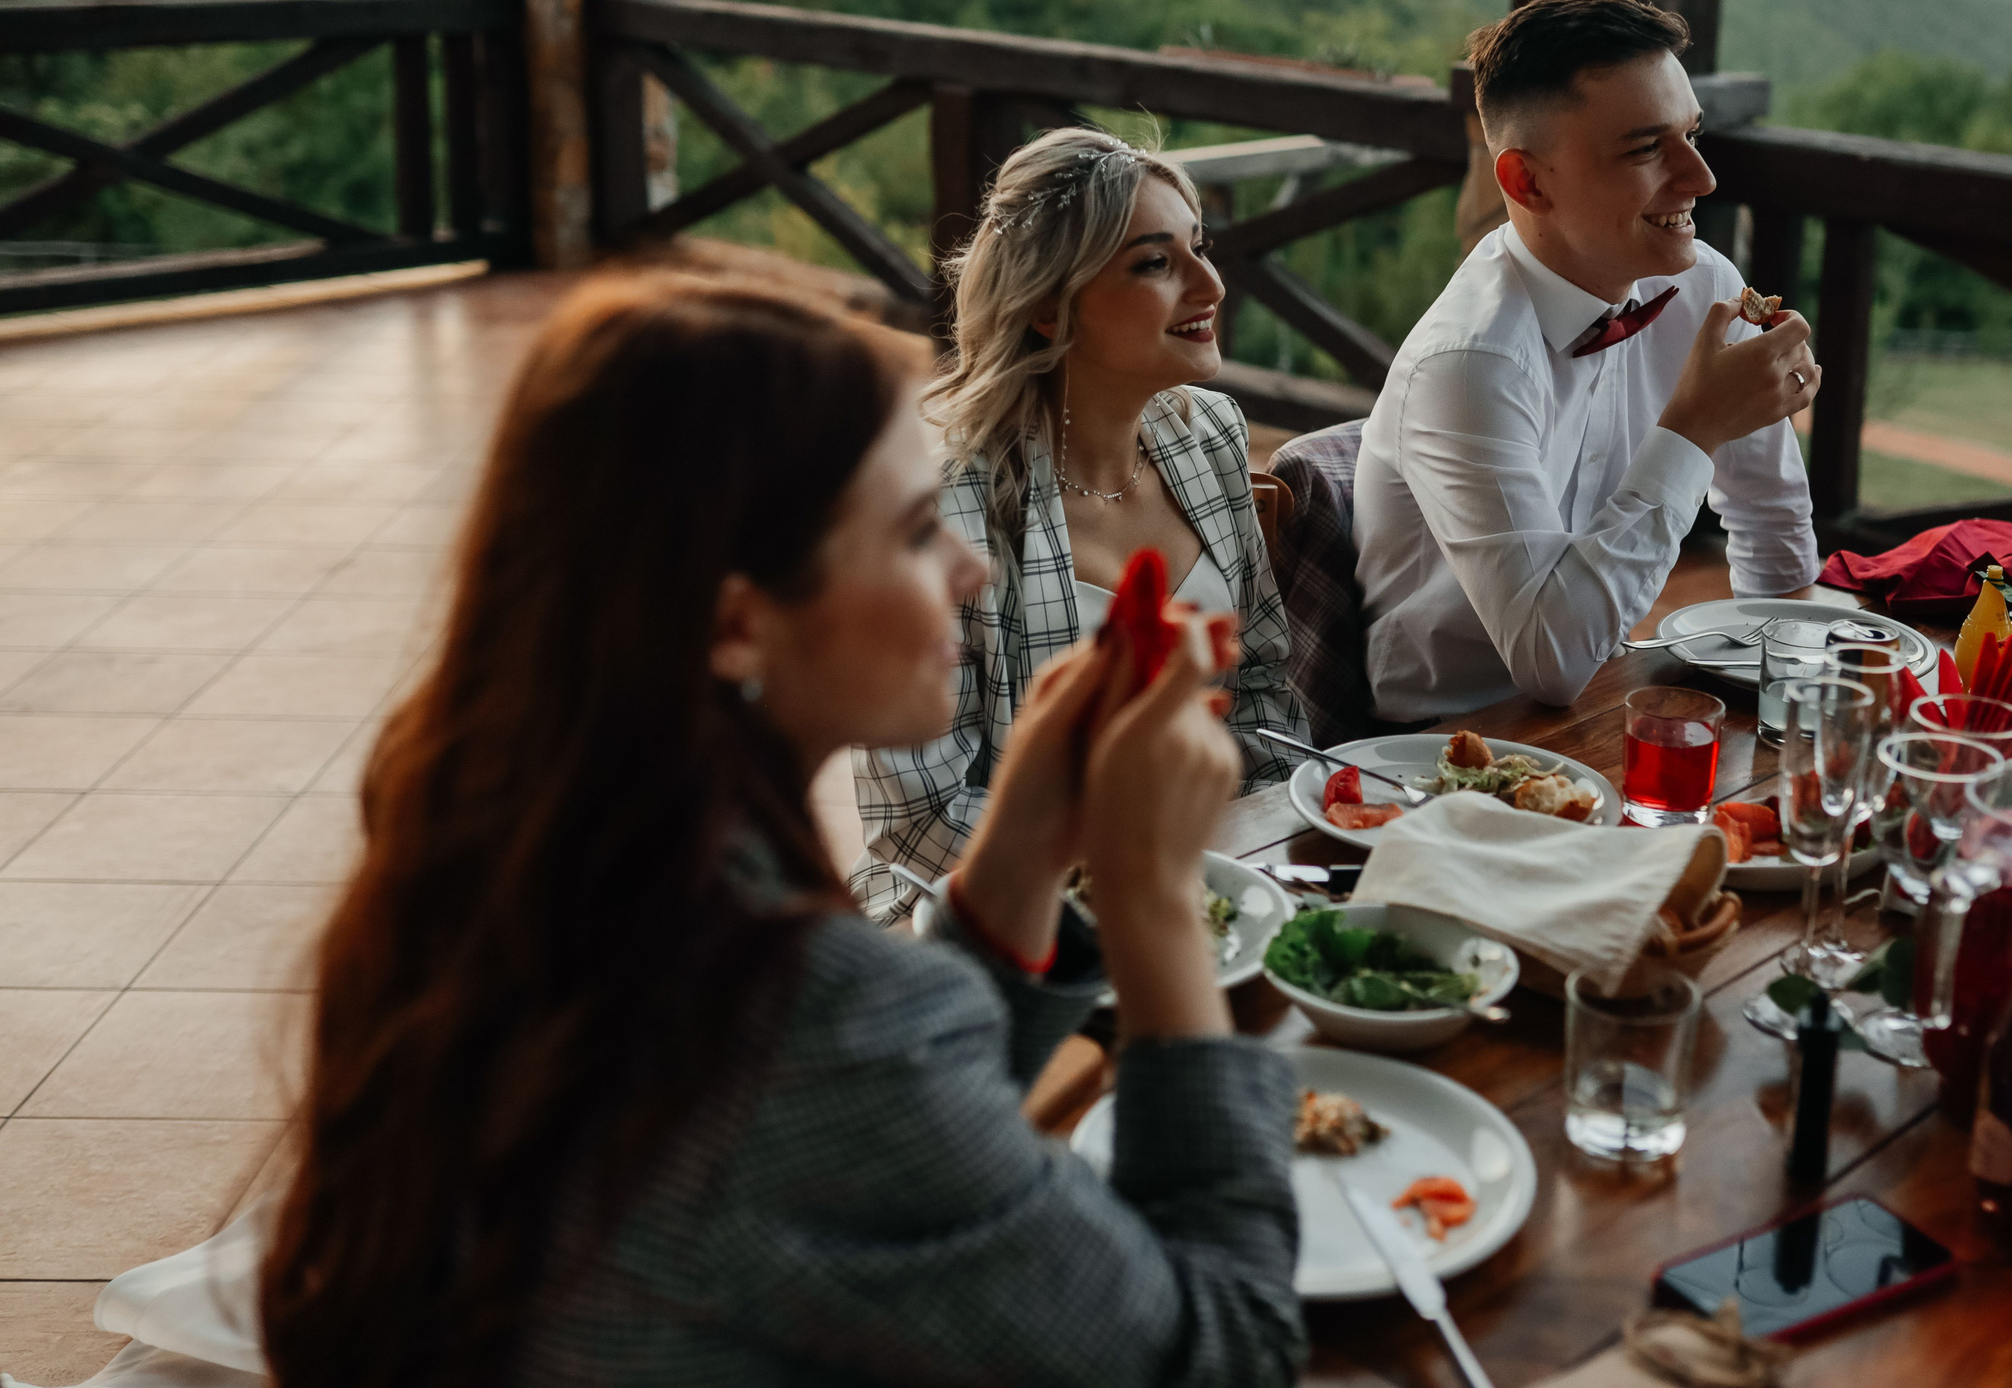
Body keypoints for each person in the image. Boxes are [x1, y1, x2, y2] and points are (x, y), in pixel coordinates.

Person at [213, 274, 1300, 1386]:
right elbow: (1226, 1358)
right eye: (920, 529)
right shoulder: (794, 1014)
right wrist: (1150, 901)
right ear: (738, 621)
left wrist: (1021, 847)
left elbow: (892, 1152)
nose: (969, 571)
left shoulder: (509, 852)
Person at [853, 128, 1306, 917]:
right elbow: (917, 819)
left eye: (1200, 247)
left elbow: (1263, 687)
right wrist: (1124, 880)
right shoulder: (947, 512)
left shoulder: (1215, 438)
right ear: (1045, 307)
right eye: (1156, 263)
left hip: (1216, 879)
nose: (1211, 284)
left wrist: (1236, 864)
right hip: (989, 911)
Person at [1353, 0, 1823, 721]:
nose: (1701, 178)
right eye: (1645, 148)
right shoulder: (1469, 365)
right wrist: (1693, 429)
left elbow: (1770, 513)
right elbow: (1551, 659)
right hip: (1448, 747)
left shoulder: (1704, 289)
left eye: (1693, 134)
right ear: (1526, 181)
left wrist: (1789, 705)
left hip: (1608, 700)